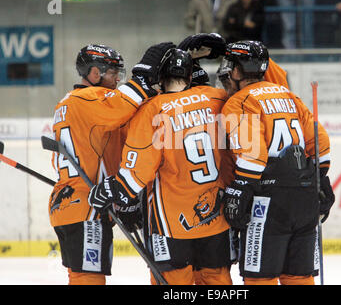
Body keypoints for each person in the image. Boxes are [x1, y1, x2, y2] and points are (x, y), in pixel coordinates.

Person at [88, 48, 236, 285]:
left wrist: (111, 190)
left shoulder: (152, 110)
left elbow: (136, 174)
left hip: (171, 226)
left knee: (174, 285)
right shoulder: (217, 98)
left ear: (160, 78)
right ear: (190, 77)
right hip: (216, 222)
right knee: (217, 281)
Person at [48, 42, 175, 285]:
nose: (117, 79)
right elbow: (120, 106)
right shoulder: (88, 98)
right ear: (94, 73)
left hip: (72, 202)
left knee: (82, 275)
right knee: (88, 278)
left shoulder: (73, 103)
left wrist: (124, 200)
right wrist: (142, 76)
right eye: (113, 73)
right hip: (87, 205)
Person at [217, 40, 335, 285]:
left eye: (230, 65)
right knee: (299, 277)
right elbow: (320, 143)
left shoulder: (239, 101)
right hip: (304, 200)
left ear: (238, 70)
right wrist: (321, 179)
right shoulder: (288, 95)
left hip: (268, 202)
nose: (227, 70)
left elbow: (253, 155)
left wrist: (240, 189)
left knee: (260, 277)